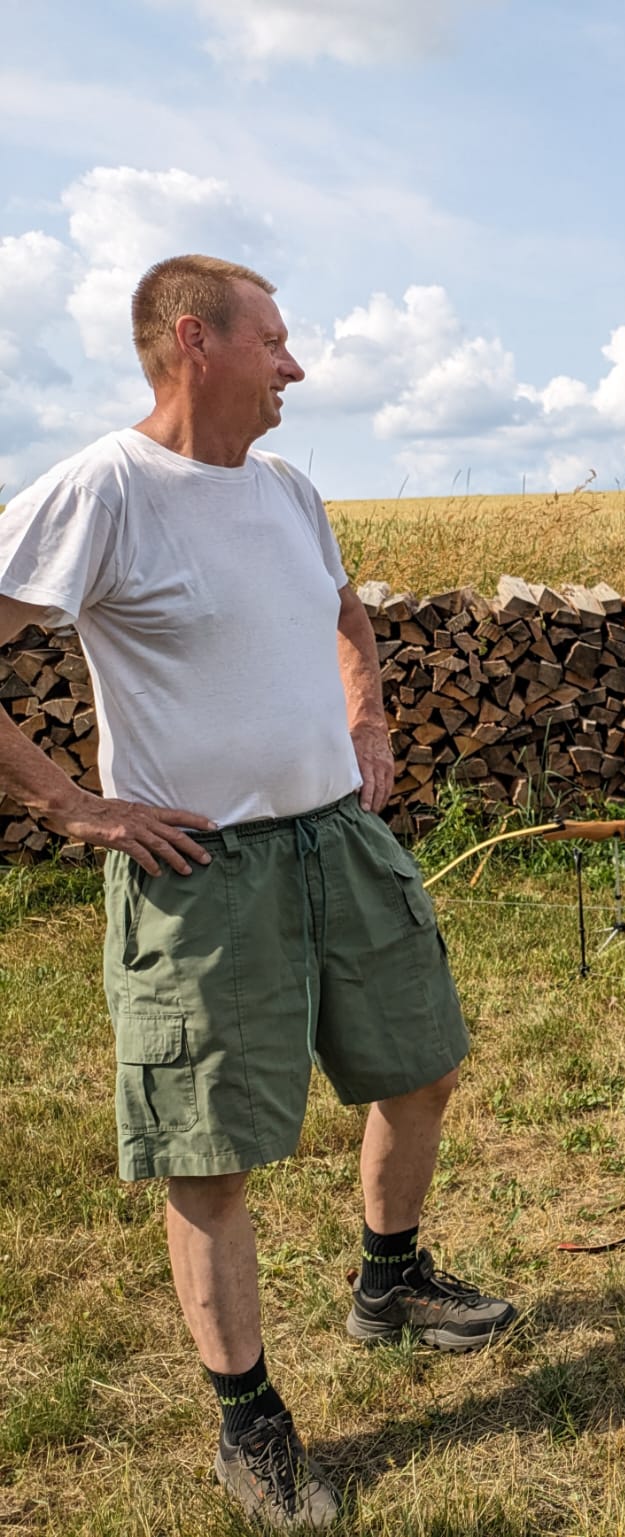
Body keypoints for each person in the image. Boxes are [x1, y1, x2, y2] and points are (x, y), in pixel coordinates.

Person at [0, 255, 516, 1528]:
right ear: (195, 340)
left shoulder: (286, 487)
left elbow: (345, 611)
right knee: (211, 1152)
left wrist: (368, 714)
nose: (296, 364)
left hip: (336, 838)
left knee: (422, 1067)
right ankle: (251, 1425)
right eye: (273, 340)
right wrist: (72, 804)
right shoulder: (103, 489)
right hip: (204, 874)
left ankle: (389, 1281)